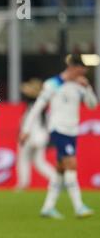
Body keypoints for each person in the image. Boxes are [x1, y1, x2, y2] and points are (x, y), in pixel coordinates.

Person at [20, 54, 98, 219]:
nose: (83, 72)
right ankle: (78, 207)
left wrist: (88, 87)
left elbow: (92, 106)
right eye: (81, 68)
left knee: (60, 170)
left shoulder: (79, 85)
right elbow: (37, 107)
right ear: (73, 67)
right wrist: (26, 129)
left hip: (72, 131)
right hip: (57, 129)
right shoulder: (53, 83)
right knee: (71, 164)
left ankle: (48, 207)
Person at [16, 78, 55, 190]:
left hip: (29, 137)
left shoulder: (33, 105)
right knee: (40, 162)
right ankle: (56, 179)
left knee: (23, 160)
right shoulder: (43, 106)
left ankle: (23, 184)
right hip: (41, 137)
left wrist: (24, 134)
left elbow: (29, 122)